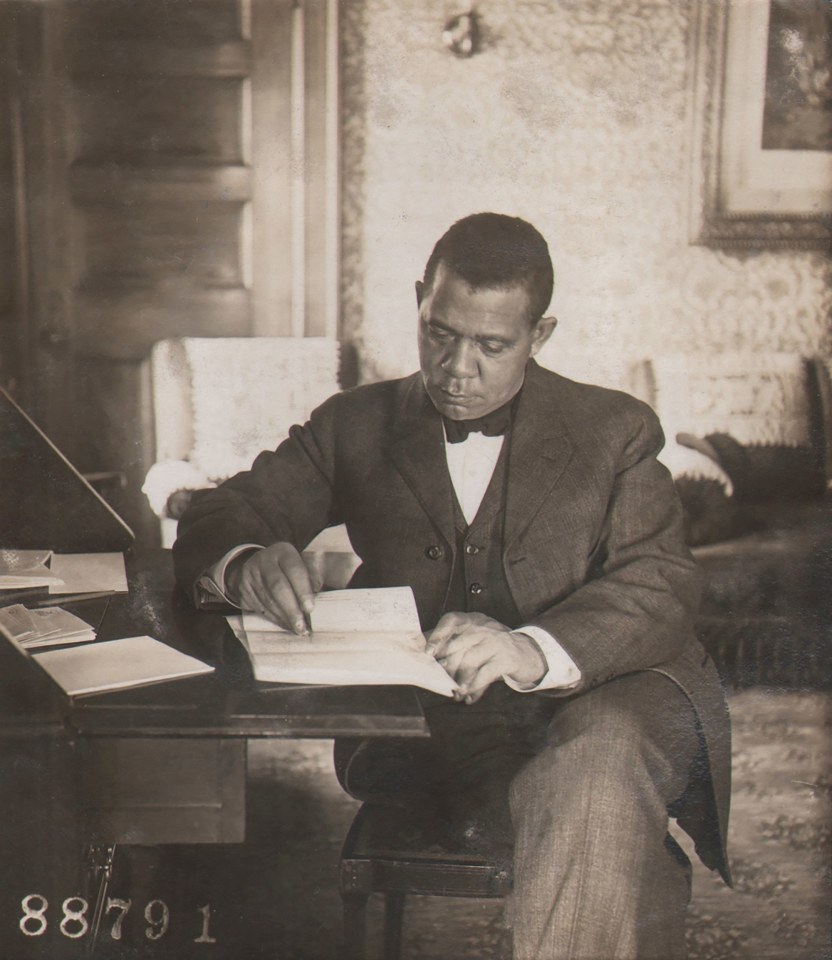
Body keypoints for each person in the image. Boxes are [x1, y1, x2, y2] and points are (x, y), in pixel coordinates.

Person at [173, 212, 730, 959]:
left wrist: (531, 649)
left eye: (492, 345)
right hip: (435, 731)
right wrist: (243, 560)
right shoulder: (356, 424)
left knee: (599, 771)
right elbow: (225, 508)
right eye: (440, 333)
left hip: (610, 694)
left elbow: (662, 581)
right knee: (604, 832)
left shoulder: (614, 430)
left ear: (541, 335)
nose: (456, 369)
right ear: (419, 302)